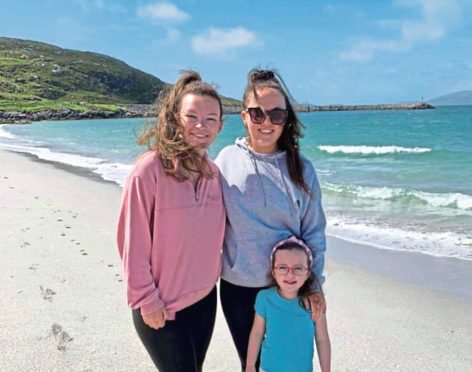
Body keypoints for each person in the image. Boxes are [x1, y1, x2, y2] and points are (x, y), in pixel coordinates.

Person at [215, 68, 327, 370]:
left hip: (289, 288)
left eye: (276, 115)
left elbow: (314, 231)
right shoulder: (225, 160)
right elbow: (203, 217)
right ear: (243, 116)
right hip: (238, 287)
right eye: (258, 114)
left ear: (286, 119)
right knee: (250, 365)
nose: (267, 122)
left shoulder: (301, 168)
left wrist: (314, 284)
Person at [117, 70, 225, 371]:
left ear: (220, 126)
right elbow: (132, 242)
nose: (201, 126)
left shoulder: (215, 175)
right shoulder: (148, 169)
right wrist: (145, 298)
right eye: (192, 116)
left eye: (210, 119)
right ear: (176, 119)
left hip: (204, 299)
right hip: (161, 305)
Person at [246, 236, 331, 372]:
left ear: (307, 273)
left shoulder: (314, 303)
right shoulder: (264, 298)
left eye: (298, 268)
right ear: (274, 272)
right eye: (282, 268)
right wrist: (250, 366)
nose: (290, 274)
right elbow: (257, 333)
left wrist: (326, 370)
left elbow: (322, 339)